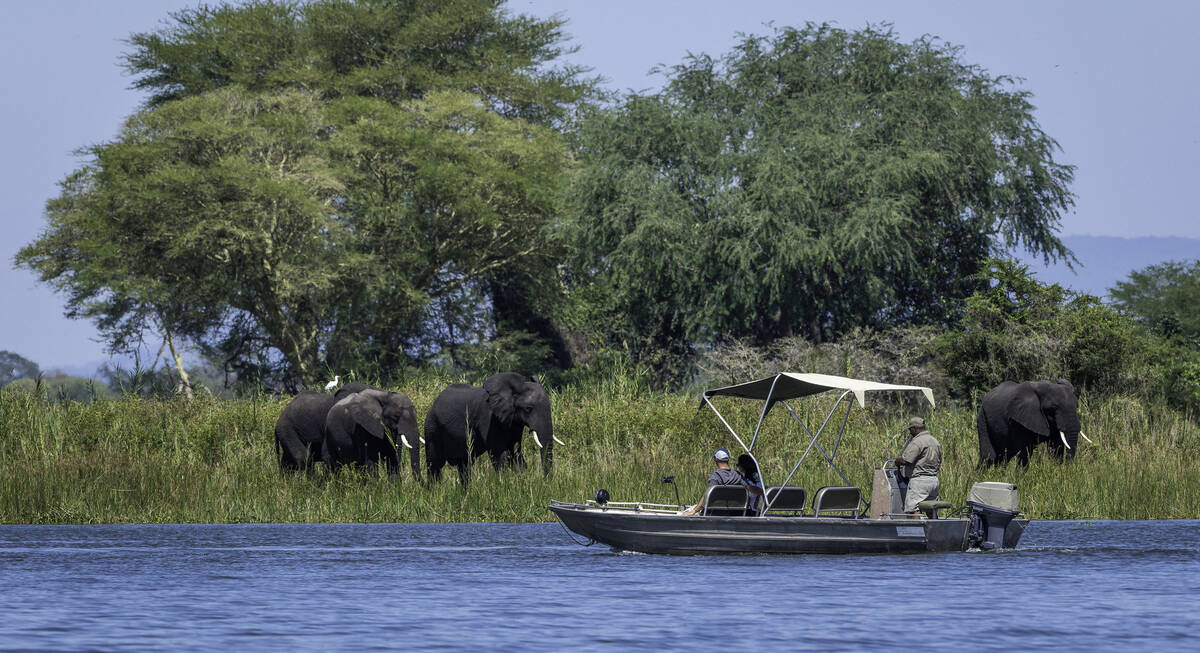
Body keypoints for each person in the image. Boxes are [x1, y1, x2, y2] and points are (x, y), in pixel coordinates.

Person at [894, 416, 941, 516]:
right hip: (933, 481)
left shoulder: (917, 441)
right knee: (931, 509)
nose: (910, 432)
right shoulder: (935, 441)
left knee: (914, 509)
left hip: (919, 482)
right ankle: (935, 531)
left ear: (915, 428)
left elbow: (907, 460)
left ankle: (916, 531)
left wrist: (898, 460)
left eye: (911, 429)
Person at [682, 448, 745, 515]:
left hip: (714, 513)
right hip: (735, 512)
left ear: (716, 459)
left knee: (685, 512)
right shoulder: (738, 475)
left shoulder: (716, 477)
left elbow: (707, 496)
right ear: (728, 459)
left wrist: (694, 510)